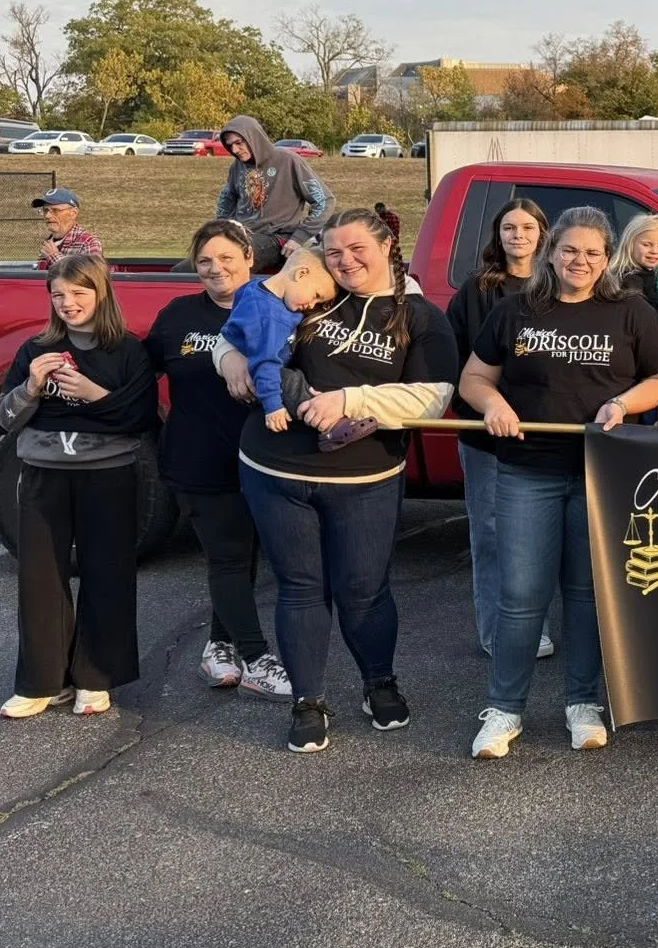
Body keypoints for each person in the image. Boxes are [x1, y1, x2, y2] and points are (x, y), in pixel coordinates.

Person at [218, 209, 459, 753]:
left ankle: (379, 682)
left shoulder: (418, 315)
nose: (345, 261)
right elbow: (242, 328)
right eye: (333, 252)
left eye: (357, 249)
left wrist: (349, 400)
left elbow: (434, 397)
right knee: (300, 587)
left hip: (366, 477)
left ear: (386, 246)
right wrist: (226, 356)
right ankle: (308, 699)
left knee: (363, 590)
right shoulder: (313, 294)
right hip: (274, 470)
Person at [460, 206, 658, 760]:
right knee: (521, 598)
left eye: (592, 253)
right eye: (570, 250)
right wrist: (493, 404)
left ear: (607, 259)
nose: (579, 261)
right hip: (525, 472)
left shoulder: (630, 311)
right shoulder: (516, 310)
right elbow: (474, 376)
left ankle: (583, 704)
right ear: (551, 252)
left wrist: (625, 403)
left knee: (586, 596)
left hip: (600, 475)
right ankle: (504, 710)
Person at [0, 255, 160, 720]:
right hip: (45, 475)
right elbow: (5, 420)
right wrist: (30, 387)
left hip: (106, 476)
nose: (68, 303)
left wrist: (93, 395)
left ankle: (95, 676)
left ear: (101, 293)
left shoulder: (127, 350)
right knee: (41, 577)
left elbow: (141, 418)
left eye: (78, 292)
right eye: (58, 295)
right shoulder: (34, 349)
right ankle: (41, 681)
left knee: (106, 572)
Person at [144, 221, 293, 700]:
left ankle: (218, 644)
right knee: (228, 554)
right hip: (197, 458)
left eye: (226, 257)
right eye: (205, 260)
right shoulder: (178, 315)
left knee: (242, 554)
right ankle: (255, 655)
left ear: (250, 257)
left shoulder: (277, 308)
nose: (215, 268)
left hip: (263, 455)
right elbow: (137, 373)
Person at [445, 198, 549, 658]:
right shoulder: (476, 289)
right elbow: (453, 354)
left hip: (547, 434)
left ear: (543, 233)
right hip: (485, 434)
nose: (519, 235)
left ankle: (537, 627)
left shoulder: (560, 286)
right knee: (489, 533)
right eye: (509, 227)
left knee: (540, 535)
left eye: (528, 227)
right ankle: (496, 631)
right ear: (497, 235)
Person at [221, 248, 341, 434]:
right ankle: (329, 424)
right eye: (316, 295)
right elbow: (265, 362)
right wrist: (273, 407)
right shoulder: (270, 318)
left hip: (257, 363)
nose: (312, 305)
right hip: (262, 375)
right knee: (292, 381)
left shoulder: (255, 286)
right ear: (301, 274)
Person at [215, 116, 335, 263]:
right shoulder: (237, 166)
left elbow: (324, 201)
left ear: (254, 137)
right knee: (201, 256)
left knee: (227, 258)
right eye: (230, 145)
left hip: (277, 238)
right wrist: (220, 228)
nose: (235, 149)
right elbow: (226, 201)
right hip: (241, 235)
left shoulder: (288, 160)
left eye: (239, 143)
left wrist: (299, 237)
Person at [610, 212, 658, 328]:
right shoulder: (630, 279)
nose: (654, 251)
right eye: (647, 245)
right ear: (630, 244)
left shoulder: (648, 273)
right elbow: (639, 317)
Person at [33, 189, 102, 268]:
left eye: (55, 210)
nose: (47, 216)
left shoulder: (88, 242)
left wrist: (53, 256)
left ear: (73, 213)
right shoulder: (49, 243)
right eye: (45, 210)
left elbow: (92, 276)